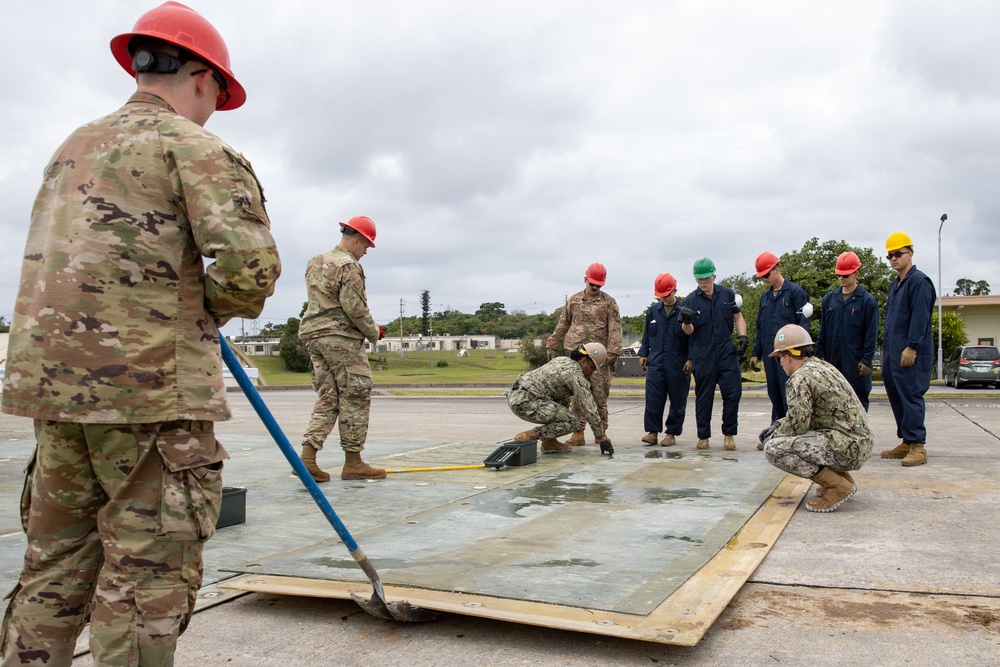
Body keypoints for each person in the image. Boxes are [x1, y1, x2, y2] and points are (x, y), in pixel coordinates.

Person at [0, 3, 281, 664]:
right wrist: (197, 307)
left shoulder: (71, 147)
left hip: (55, 396)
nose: (215, 108)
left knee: (52, 571)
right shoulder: (195, 146)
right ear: (204, 79)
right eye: (220, 95)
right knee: (144, 585)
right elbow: (250, 270)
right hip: (148, 397)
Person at [298, 216, 387, 482]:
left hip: (314, 336)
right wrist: (374, 333)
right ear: (357, 239)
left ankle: (307, 458)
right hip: (341, 340)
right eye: (367, 246)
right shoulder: (349, 265)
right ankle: (353, 462)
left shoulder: (316, 261)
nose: (366, 251)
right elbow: (355, 307)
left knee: (328, 397)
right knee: (356, 395)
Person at [759, 325, 874, 512]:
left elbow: (798, 425)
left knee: (774, 448)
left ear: (787, 357)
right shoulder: (822, 366)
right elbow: (814, 414)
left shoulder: (799, 378)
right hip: (858, 443)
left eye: (779, 358)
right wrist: (779, 423)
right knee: (808, 437)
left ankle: (837, 486)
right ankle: (842, 479)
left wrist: (774, 434)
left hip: (846, 446)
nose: (780, 364)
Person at [546, 262, 623, 445]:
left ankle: (601, 433)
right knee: (576, 396)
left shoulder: (609, 302)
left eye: (599, 285)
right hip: (577, 355)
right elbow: (563, 323)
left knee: (599, 395)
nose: (595, 288)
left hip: (598, 358)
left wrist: (613, 352)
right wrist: (553, 342)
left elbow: (615, 328)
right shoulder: (573, 300)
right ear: (585, 280)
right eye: (592, 284)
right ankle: (578, 433)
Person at [879, 231, 936, 467]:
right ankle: (906, 440)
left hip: (911, 351)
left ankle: (917, 445)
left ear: (910, 254)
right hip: (893, 351)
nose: (893, 258)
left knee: (911, 395)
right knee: (897, 395)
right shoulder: (896, 285)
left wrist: (912, 346)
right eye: (889, 255)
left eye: (898, 254)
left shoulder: (919, 282)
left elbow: (920, 317)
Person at [679, 258, 748, 450]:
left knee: (733, 394)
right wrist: (686, 321)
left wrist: (742, 336)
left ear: (714, 276)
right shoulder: (690, 301)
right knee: (704, 397)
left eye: (706, 278)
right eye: (699, 279)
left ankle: (729, 434)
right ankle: (703, 436)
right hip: (703, 355)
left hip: (726, 352)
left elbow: (738, 316)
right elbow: (689, 331)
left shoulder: (727, 294)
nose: (703, 282)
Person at [510, 343, 613, 454]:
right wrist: (601, 438)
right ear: (583, 361)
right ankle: (526, 436)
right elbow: (589, 408)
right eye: (592, 368)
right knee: (572, 421)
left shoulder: (562, 360)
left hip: (518, 396)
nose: (592, 373)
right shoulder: (575, 376)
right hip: (526, 402)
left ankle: (549, 442)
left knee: (563, 401)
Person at [749, 251, 810, 422]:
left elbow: (803, 324)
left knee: (790, 392)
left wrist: (800, 353)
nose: (765, 279)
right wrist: (756, 353)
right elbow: (760, 326)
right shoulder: (765, 297)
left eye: (767, 274)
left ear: (777, 269)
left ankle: (793, 428)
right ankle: (777, 427)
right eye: (762, 277)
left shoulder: (796, 293)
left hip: (790, 355)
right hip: (771, 352)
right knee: (774, 393)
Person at [815, 251, 880, 410]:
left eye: (846, 275)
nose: (842, 279)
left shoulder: (868, 302)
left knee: (856, 402)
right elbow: (823, 330)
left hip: (855, 362)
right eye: (839, 275)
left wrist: (866, 360)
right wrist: (820, 354)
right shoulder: (829, 300)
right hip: (832, 360)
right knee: (832, 401)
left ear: (856, 273)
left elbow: (871, 334)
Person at [638, 273, 692, 446]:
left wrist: (691, 359)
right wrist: (644, 353)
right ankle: (652, 432)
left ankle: (671, 433)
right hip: (656, 361)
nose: (664, 298)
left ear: (674, 290)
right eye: (660, 296)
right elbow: (647, 334)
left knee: (678, 400)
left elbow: (693, 338)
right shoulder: (653, 311)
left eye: (666, 295)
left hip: (678, 362)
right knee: (653, 398)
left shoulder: (685, 310)